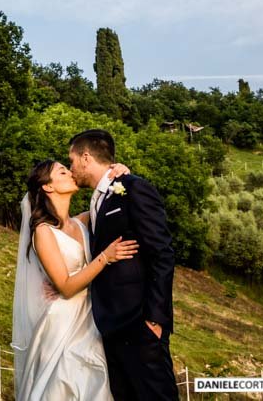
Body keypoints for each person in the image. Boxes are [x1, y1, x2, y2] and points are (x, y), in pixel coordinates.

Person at [12, 159, 138, 400]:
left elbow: (106, 201)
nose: (70, 172)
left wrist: (121, 173)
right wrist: (105, 257)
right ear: (48, 187)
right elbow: (66, 288)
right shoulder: (43, 231)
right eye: (62, 171)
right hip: (64, 324)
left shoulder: (81, 223)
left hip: (91, 318)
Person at [69, 129, 179, 401]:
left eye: (71, 161)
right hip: (110, 325)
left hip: (140, 321)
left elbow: (162, 252)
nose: (71, 169)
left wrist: (155, 317)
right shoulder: (98, 199)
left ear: (85, 158)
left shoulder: (133, 188)